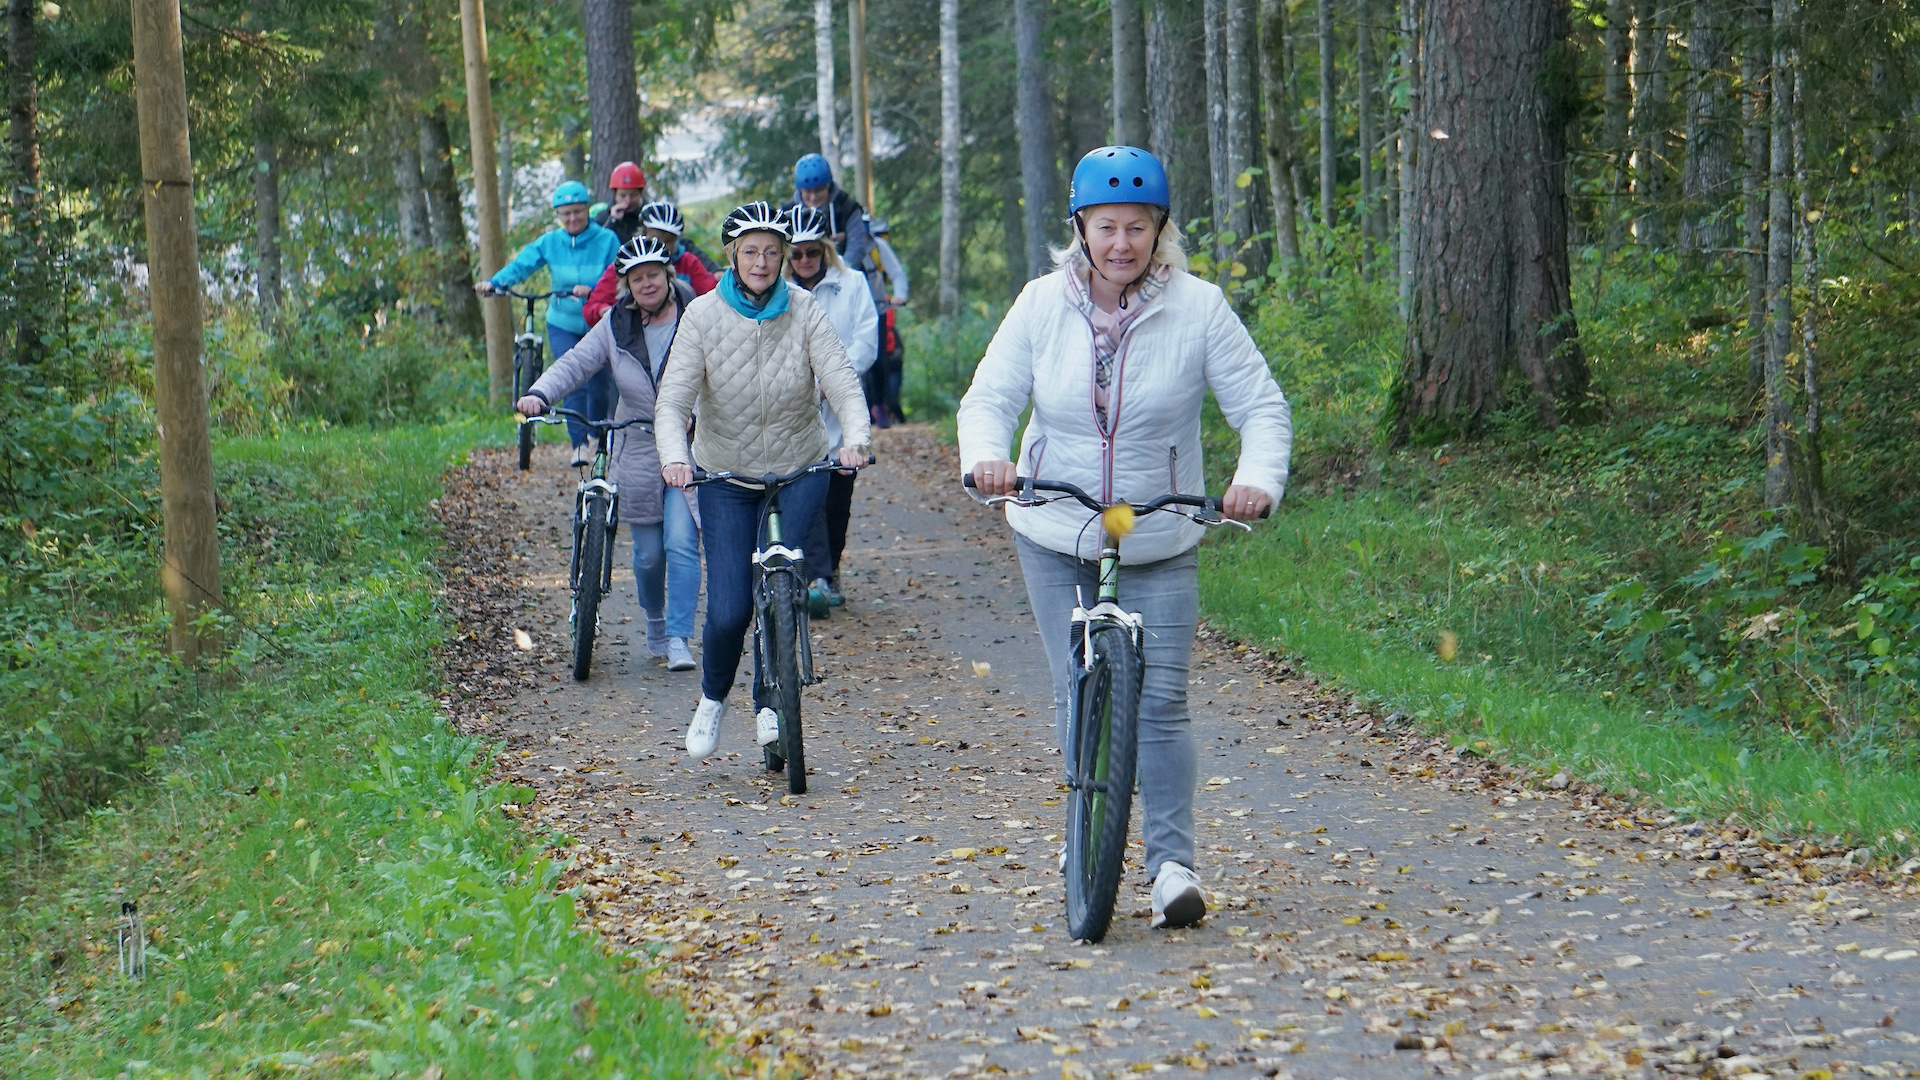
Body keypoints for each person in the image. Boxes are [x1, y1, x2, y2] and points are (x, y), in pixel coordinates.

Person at [955, 146, 1291, 931]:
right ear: (1080, 227)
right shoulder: (1040, 304)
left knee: (1163, 702)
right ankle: (1086, 832)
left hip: (1159, 531)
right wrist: (987, 459)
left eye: (1137, 229)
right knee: (1078, 687)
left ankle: (1172, 864)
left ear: (1159, 231)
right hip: (1053, 522)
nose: (1121, 244)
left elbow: (1263, 410)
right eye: (1106, 227)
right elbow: (989, 398)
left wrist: (1257, 483)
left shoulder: (1200, 308)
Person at [654, 201, 871, 761]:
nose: (762, 261)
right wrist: (676, 457)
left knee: (780, 589)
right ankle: (711, 699)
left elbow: (841, 379)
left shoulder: (804, 310)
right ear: (733, 255)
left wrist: (855, 438)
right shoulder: (701, 316)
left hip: (799, 469)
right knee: (729, 607)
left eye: (772, 252)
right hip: (725, 475)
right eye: (751, 251)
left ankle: (771, 705)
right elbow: (674, 399)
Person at [514, 237, 702, 671]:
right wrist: (539, 393)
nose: (647, 283)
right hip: (637, 445)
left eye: (654, 274)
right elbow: (577, 362)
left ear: (668, 275)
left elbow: (722, 371)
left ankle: (678, 639)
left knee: (682, 541)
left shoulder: (697, 317)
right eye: (638, 278)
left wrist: (696, 413)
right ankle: (655, 623)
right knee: (648, 553)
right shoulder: (615, 325)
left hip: (690, 447)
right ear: (627, 285)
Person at [476, 180, 622, 466]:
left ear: (587, 211)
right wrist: (495, 283)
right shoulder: (550, 242)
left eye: (577, 212)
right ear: (558, 215)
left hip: (598, 321)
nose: (572, 219)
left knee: (600, 383)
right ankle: (578, 445)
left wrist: (592, 288)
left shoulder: (606, 240)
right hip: (563, 322)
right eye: (565, 213)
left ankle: (597, 436)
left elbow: (617, 277)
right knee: (572, 382)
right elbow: (523, 265)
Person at [786, 205, 878, 613]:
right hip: (795, 409)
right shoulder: (779, 290)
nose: (805, 262)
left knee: (837, 496)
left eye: (812, 253)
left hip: (839, 405)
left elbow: (866, 340)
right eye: (797, 254)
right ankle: (813, 574)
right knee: (807, 488)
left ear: (826, 250)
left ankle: (831, 568)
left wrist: (835, 378)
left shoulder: (852, 283)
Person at [584, 201, 717, 325]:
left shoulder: (688, 263)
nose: (662, 247)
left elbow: (712, 298)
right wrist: (604, 311)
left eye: (668, 241)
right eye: (656, 239)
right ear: (642, 233)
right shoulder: (624, 265)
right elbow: (591, 309)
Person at [782, 152, 873, 276]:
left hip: (844, 276)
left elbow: (857, 248)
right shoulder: (787, 213)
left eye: (819, 190)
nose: (813, 197)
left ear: (828, 186)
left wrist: (838, 277)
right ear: (799, 190)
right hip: (800, 279)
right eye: (808, 191)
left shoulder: (848, 208)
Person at [858, 217, 909, 428]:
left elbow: (897, 274)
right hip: (852, 310)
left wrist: (900, 295)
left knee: (878, 359)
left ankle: (879, 404)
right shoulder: (838, 247)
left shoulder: (878, 247)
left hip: (876, 308)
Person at [593, 161, 651, 244]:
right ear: (615, 194)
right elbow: (597, 246)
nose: (628, 201)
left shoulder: (649, 217)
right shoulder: (603, 218)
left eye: (633, 195)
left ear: (640, 194)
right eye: (622, 196)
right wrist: (612, 221)